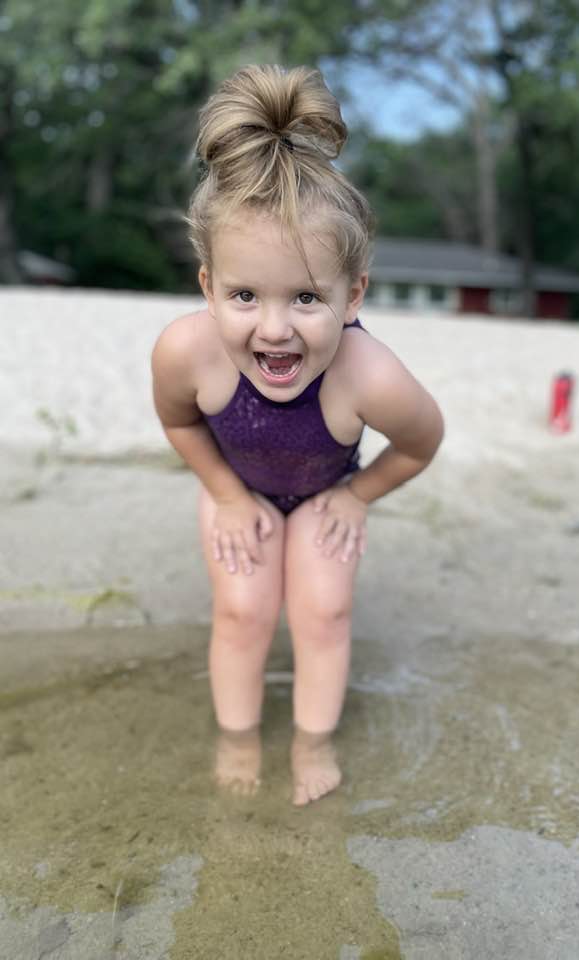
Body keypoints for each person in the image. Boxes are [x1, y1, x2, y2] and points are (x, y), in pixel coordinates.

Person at [151, 64, 443, 806]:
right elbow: (179, 420)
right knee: (243, 611)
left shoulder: (369, 375)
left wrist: (357, 495)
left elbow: (422, 440)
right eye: (246, 295)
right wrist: (223, 493)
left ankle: (313, 741)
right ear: (209, 285)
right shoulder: (186, 352)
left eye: (307, 297)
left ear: (354, 296)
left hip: (322, 492)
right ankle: (238, 736)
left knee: (324, 611)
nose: (275, 329)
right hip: (237, 484)